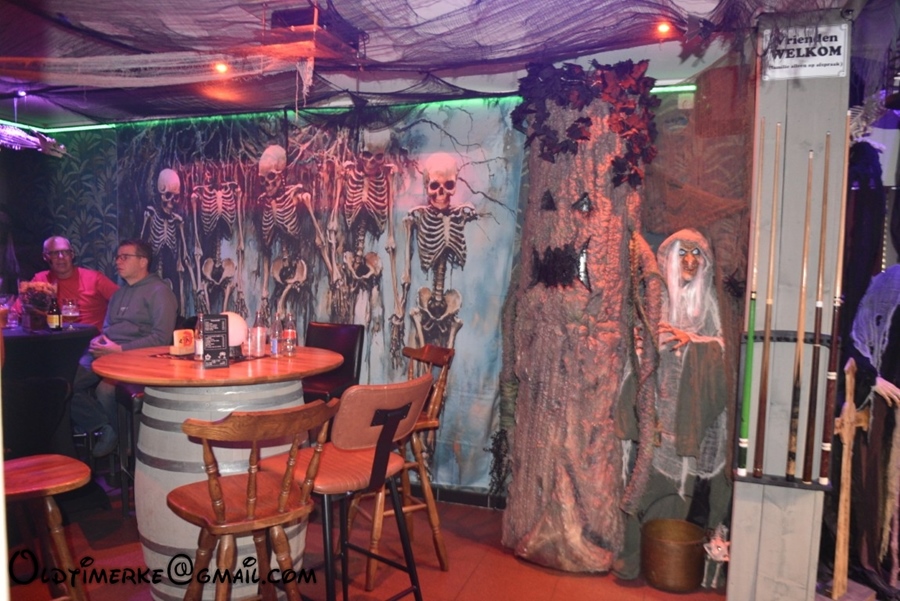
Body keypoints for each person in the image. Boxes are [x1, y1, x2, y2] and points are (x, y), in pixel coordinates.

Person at [616, 228, 731, 579]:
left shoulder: (708, 305)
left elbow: (721, 351)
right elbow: (635, 347)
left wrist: (692, 343)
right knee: (643, 484)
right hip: (654, 415)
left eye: (697, 254)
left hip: (689, 419)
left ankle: (666, 566)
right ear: (669, 258)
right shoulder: (656, 298)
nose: (690, 261)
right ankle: (633, 559)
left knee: (680, 491)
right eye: (683, 253)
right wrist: (645, 347)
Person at [71, 238, 177, 457]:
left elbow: (162, 338)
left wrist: (120, 350)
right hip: (106, 353)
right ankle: (104, 426)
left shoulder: (160, 292)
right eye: (117, 257)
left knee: (105, 390)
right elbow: (108, 328)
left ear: (143, 261)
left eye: (125, 257)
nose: (118, 262)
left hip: (135, 358)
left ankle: (118, 437)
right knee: (65, 383)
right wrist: (100, 341)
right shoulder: (119, 293)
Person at [841, 264, 900, 599]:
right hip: (886, 403)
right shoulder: (889, 283)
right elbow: (858, 339)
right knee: (878, 483)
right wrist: (873, 379)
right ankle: (873, 563)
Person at [31, 236, 119, 330]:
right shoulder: (40, 280)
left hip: (91, 337)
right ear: (45, 257)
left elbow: (124, 302)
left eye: (66, 252)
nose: (61, 257)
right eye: (55, 253)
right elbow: (21, 310)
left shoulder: (95, 279)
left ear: (72, 255)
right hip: (54, 336)